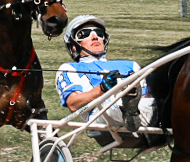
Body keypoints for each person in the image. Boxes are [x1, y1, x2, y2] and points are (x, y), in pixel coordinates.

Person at [54, 14, 155, 146]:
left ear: (105, 39)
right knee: (113, 106)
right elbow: (73, 104)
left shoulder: (131, 65)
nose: (94, 36)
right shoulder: (69, 68)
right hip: (101, 115)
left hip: (145, 109)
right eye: (84, 34)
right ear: (74, 46)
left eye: (99, 33)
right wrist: (102, 89)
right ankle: (129, 107)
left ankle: (132, 107)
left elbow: (148, 95)